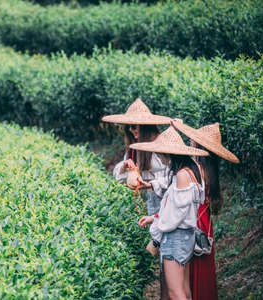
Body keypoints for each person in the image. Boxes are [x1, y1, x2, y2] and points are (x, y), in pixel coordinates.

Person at [134, 126, 209, 300]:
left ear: (168, 153)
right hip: (185, 236)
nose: (160, 157)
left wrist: (157, 228)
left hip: (175, 237)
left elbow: (174, 217)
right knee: (184, 290)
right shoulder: (193, 169)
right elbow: (177, 209)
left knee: (176, 293)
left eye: (161, 153)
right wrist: (154, 218)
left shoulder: (182, 175)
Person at [172, 121, 239, 300]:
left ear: (198, 145)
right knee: (204, 266)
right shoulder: (211, 169)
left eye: (194, 140)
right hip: (205, 221)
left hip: (193, 218)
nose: (191, 142)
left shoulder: (196, 169)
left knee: (191, 268)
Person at [102, 98, 171, 214]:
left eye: (133, 126)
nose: (130, 130)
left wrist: (151, 184)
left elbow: (174, 176)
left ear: (144, 127)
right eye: (128, 126)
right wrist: (125, 167)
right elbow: (120, 176)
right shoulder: (136, 148)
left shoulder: (162, 145)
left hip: (168, 200)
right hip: (151, 199)